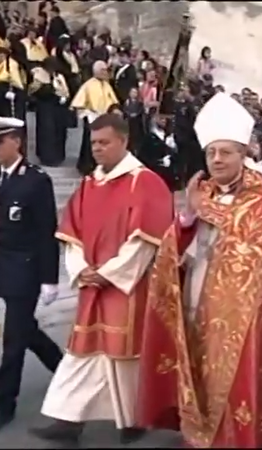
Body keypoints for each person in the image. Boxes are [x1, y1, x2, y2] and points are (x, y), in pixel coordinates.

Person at [138, 93, 262, 448]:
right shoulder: (202, 192)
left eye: (226, 152)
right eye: (211, 153)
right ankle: (201, 434)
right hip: (197, 300)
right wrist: (188, 217)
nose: (217, 159)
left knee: (237, 381)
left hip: (246, 314)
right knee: (199, 371)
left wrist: (205, 209)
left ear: (244, 154)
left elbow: (256, 245)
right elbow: (172, 248)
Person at [31, 113, 174, 445]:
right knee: (84, 353)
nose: (97, 149)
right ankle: (68, 422)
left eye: (104, 142)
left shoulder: (146, 182)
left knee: (124, 358)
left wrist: (110, 273)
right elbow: (71, 233)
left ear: (123, 141)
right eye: (93, 143)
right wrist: (83, 269)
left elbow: (146, 241)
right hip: (93, 285)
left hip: (128, 286)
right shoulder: (87, 184)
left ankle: (134, 418)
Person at [0, 114, 64, 437]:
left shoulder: (36, 180)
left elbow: (45, 232)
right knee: (27, 332)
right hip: (4, 266)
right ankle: (66, 369)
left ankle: (3, 403)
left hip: (26, 269)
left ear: (17, 141)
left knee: (13, 340)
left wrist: (49, 278)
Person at [72, 60, 119, 176]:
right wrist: (87, 114)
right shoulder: (88, 85)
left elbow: (112, 100)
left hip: (104, 117)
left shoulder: (107, 85)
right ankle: (86, 166)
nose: (105, 72)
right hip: (92, 117)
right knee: (89, 143)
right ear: (96, 71)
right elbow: (80, 103)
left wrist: (114, 109)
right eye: (103, 70)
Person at [28, 58, 70, 166]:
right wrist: (49, 91)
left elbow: (65, 91)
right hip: (45, 108)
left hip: (58, 108)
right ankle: (47, 157)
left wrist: (64, 97)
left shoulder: (59, 76)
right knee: (46, 132)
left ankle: (58, 156)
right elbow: (33, 91)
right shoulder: (38, 76)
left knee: (59, 132)